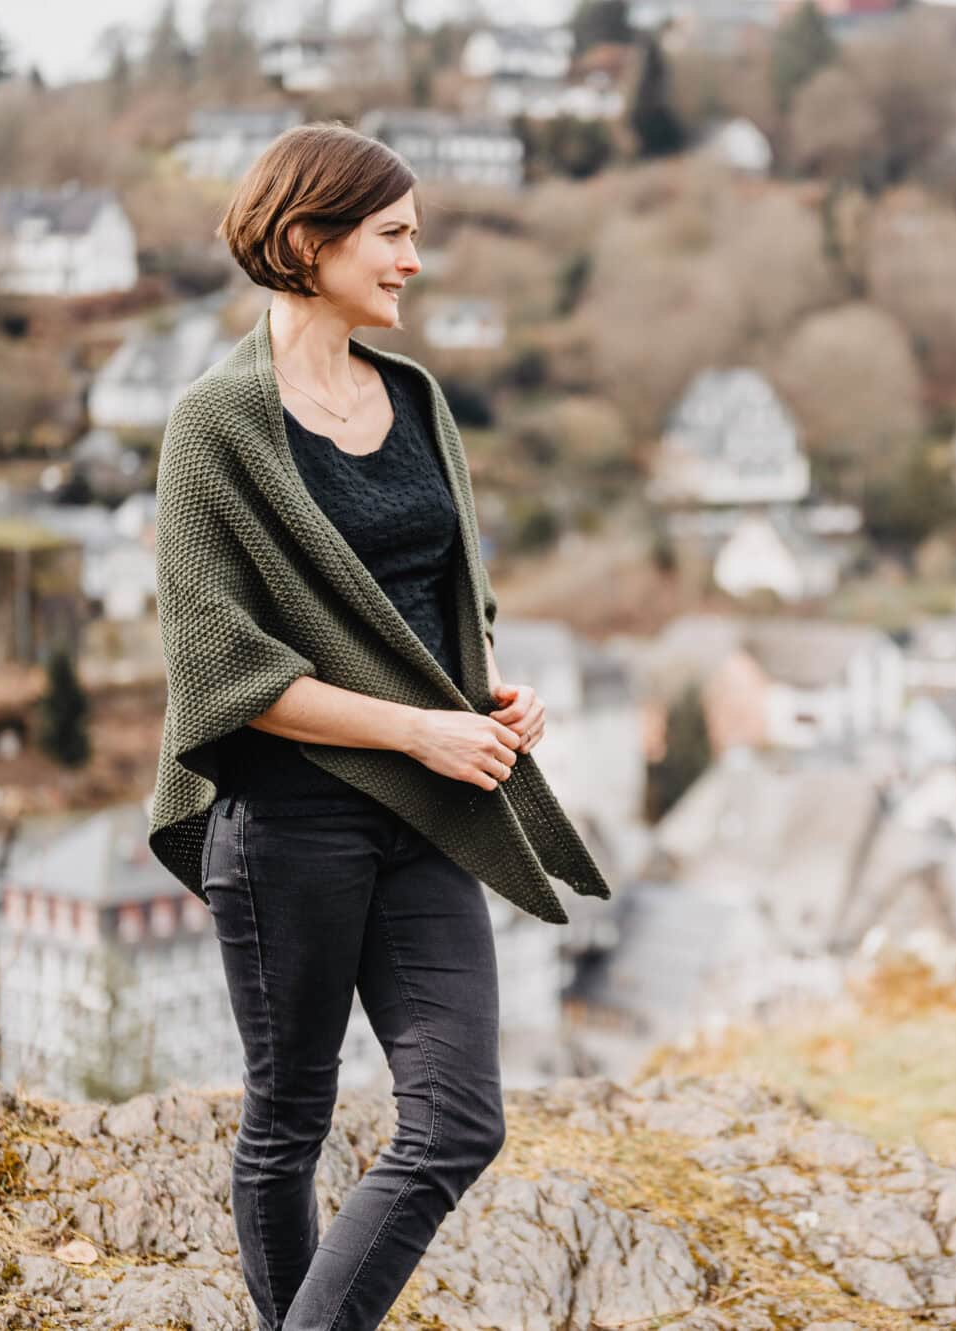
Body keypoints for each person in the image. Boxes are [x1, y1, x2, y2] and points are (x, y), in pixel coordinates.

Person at [145, 122, 610, 1330]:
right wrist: (417, 732)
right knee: (288, 1115)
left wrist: (491, 692)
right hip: (290, 818)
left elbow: (455, 594)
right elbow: (218, 671)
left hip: (427, 810)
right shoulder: (214, 427)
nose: (413, 260)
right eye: (393, 235)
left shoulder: (415, 398)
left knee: (459, 1119)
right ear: (311, 242)